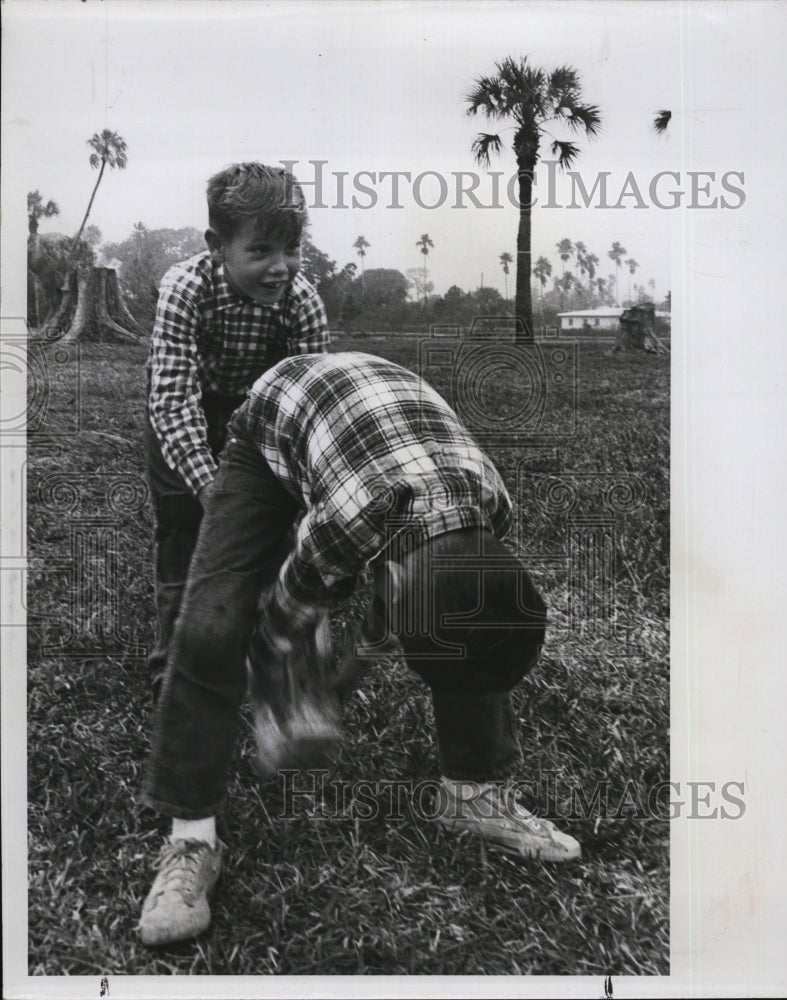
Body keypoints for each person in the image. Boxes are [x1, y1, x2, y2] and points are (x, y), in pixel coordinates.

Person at [138, 352, 581, 948]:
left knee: (474, 630)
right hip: (276, 416)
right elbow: (281, 625)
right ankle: (191, 837)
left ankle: (474, 797)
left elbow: (427, 600)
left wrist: (344, 680)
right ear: (393, 587)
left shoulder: (490, 502)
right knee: (213, 620)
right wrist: (301, 706)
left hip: (376, 432)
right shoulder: (350, 520)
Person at [145, 162, 328, 701]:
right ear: (217, 246)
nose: (280, 267)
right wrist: (211, 489)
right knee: (183, 531)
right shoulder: (184, 287)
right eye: (261, 251)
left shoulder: (303, 302)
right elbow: (172, 402)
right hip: (185, 410)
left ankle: (272, 652)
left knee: (269, 532)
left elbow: (308, 408)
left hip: (257, 418)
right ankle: (174, 663)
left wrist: (297, 497)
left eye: (291, 249)